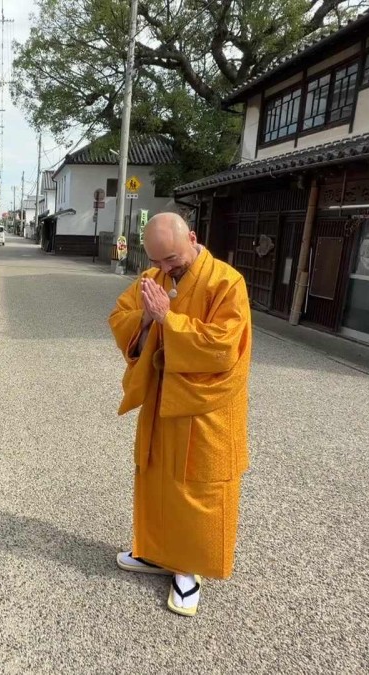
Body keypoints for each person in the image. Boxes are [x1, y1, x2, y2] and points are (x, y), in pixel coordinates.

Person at [107, 212, 252, 617]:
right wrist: (146, 318)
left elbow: (223, 346)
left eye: (171, 259)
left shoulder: (226, 283)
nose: (166, 269)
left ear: (192, 237)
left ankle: (188, 569)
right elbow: (120, 316)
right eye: (157, 261)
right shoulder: (153, 277)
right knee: (157, 477)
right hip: (162, 398)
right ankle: (156, 552)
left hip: (203, 407)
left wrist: (168, 320)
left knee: (196, 485)